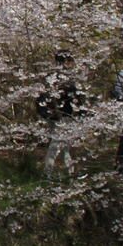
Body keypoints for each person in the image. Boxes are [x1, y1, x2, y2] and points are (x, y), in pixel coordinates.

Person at [36, 51, 85, 179]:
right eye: (70, 61)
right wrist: (82, 112)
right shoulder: (67, 78)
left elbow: (40, 98)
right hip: (63, 116)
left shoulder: (49, 77)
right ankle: (47, 173)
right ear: (67, 61)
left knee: (65, 145)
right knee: (56, 145)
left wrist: (45, 113)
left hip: (53, 116)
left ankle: (71, 172)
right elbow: (76, 98)